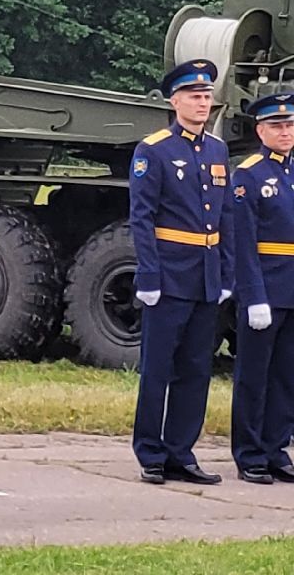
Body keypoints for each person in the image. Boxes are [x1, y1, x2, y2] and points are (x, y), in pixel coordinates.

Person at [129, 58, 233, 485]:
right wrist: (149, 276)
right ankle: (150, 452)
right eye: (194, 96)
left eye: (207, 96)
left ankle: (180, 451)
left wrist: (225, 275)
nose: (202, 103)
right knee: (158, 368)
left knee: (195, 369)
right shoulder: (154, 150)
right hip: (170, 274)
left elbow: (225, 217)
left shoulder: (218, 150)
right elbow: (142, 218)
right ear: (175, 102)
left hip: (205, 275)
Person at [231, 90, 294, 485]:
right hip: (266, 287)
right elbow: (243, 241)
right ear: (260, 131)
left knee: (286, 376)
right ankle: (250, 453)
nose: (285, 132)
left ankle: (275, 448)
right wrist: (253, 296)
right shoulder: (248, 174)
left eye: (290, 125)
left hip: (292, 287)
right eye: (277, 126)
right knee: (254, 376)